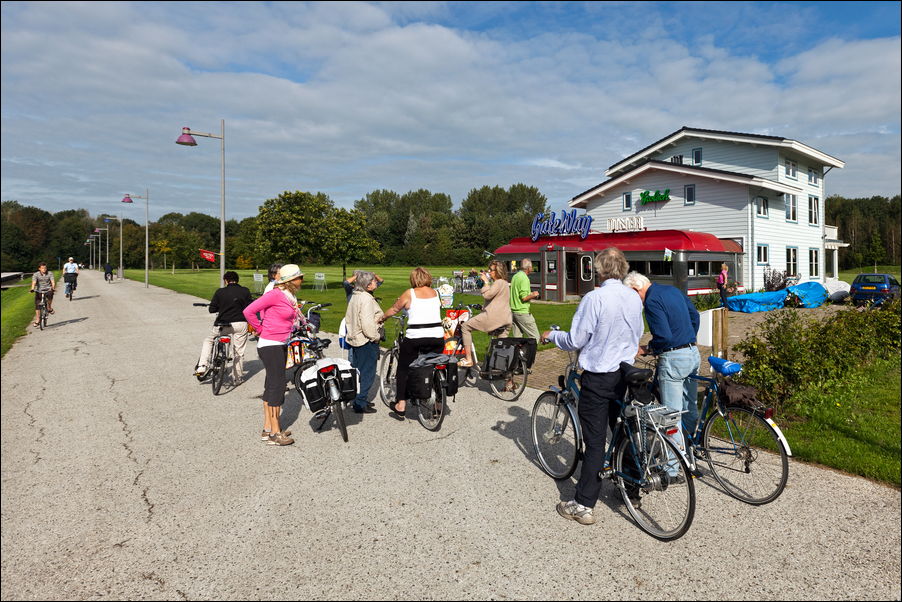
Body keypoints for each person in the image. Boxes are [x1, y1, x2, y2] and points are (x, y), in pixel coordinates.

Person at [541, 248, 642, 526]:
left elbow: (576, 339)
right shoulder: (633, 297)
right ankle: (631, 488)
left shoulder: (594, 298)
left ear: (599, 270)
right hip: (624, 372)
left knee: (595, 439)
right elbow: (636, 333)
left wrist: (552, 336)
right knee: (621, 430)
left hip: (599, 375)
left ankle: (584, 503)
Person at [624, 271, 701, 469]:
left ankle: (673, 468)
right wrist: (687, 337)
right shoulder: (672, 290)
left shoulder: (651, 301)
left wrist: (648, 349)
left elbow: (664, 336)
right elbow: (694, 316)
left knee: (671, 415)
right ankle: (690, 450)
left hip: (674, 358)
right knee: (690, 407)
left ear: (635, 289)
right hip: (693, 353)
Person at [243, 264, 306, 447]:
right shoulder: (275, 294)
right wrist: (262, 329)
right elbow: (248, 311)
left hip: (280, 343)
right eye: (299, 277)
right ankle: (275, 434)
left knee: (271, 385)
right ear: (290, 280)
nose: (302, 280)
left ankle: (268, 429)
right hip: (270, 344)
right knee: (277, 387)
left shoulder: (289, 296)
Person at [378, 267, 444, 421]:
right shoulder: (436, 293)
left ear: (413, 279)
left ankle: (401, 405)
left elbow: (395, 309)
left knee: (403, 368)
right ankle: (438, 404)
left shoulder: (410, 293)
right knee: (433, 365)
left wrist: (382, 318)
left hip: (416, 336)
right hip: (436, 336)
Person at [194, 271, 253, 384]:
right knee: (239, 351)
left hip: (223, 324)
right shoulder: (245, 291)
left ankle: (202, 366)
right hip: (240, 324)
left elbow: (212, 309)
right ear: (237, 280)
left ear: (225, 280)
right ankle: (237, 378)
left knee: (209, 340)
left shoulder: (220, 292)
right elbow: (249, 307)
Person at [458, 260, 512, 368]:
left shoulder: (498, 282)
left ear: (497, 271)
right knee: (501, 349)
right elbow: (497, 301)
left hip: (494, 318)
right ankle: (508, 380)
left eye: (491, 270)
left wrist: (486, 282)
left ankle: (469, 359)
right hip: (506, 319)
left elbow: (487, 295)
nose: (489, 272)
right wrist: (484, 307)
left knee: (465, 327)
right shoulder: (505, 283)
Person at [344, 271, 384, 414]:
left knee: (358, 371)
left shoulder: (355, 296)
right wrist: (375, 337)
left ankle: (358, 398)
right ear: (367, 285)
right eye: (373, 281)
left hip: (355, 338)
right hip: (365, 340)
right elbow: (367, 323)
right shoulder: (366, 299)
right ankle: (360, 403)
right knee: (368, 373)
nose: (375, 283)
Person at [510, 258, 540, 342]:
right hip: (522, 312)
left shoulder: (515, 276)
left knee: (517, 338)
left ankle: (518, 354)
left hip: (513, 312)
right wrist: (533, 295)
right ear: (529, 268)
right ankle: (529, 354)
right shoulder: (524, 278)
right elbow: (524, 297)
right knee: (535, 338)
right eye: (531, 267)